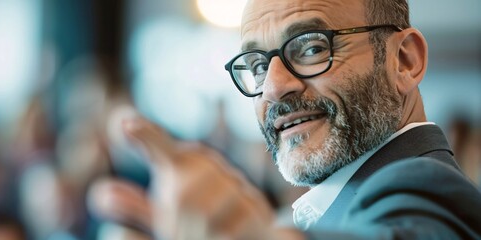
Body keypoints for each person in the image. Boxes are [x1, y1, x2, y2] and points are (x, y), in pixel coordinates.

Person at [88, 0, 481, 239]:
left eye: (311, 47)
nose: (273, 87)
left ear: (404, 61)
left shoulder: (426, 189)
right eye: (258, 64)